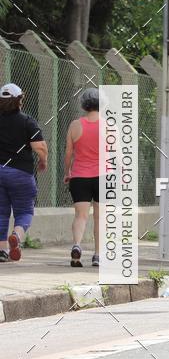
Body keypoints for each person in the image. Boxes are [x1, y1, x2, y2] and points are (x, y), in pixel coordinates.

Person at [0, 83, 48, 261]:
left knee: (1, 212)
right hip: (21, 173)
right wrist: (43, 162)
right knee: (25, 212)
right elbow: (40, 147)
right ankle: (17, 236)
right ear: (20, 99)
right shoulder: (27, 121)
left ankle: (2, 251)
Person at [64, 88, 100, 266]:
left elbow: (69, 152)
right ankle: (98, 255)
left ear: (84, 105)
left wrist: (67, 172)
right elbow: (117, 155)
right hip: (103, 176)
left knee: (81, 216)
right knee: (100, 217)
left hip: (79, 176)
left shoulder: (75, 125)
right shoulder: (110, 126)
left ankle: (77, 245)